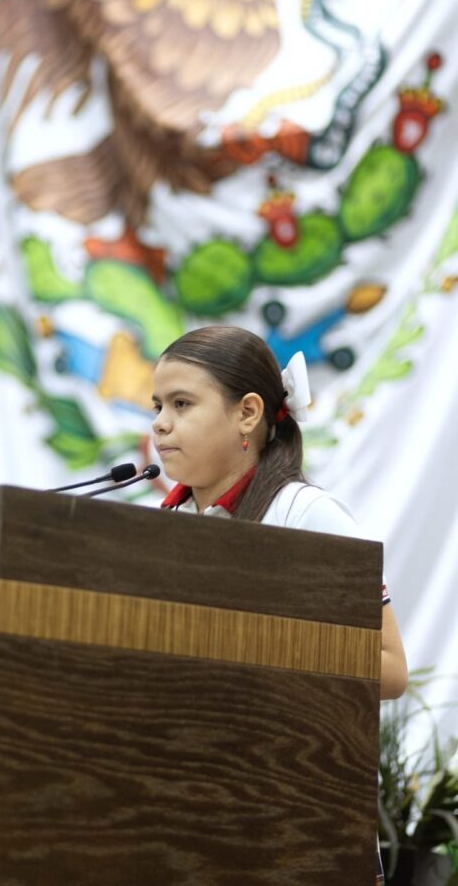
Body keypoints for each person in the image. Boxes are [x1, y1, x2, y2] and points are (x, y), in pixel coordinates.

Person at [151, 325, 407, 886]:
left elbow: (390, 669)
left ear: (248, 413)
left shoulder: (305, 513)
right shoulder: (163, 528)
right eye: (157, 406)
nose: (161, 423)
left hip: (301, 823)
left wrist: (254, 644)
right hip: (192, 816)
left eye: (182, 404)